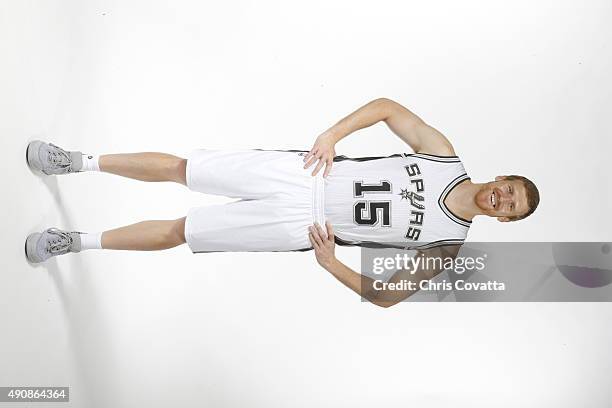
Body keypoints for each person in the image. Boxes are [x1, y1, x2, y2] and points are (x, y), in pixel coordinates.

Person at [25, 98, 540, 306]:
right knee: (188, 170)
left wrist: (331, 263)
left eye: (509, 207)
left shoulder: (447, 245)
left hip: (304, 226)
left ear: (503, 219)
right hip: (307, 171)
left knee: (186, 231)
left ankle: (74, 242)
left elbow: (386, 295)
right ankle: (78, 161)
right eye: (509, 190)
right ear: (502, 177)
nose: (502, 199)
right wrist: (334, 134)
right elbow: (387, 107)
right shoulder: (444, 156)